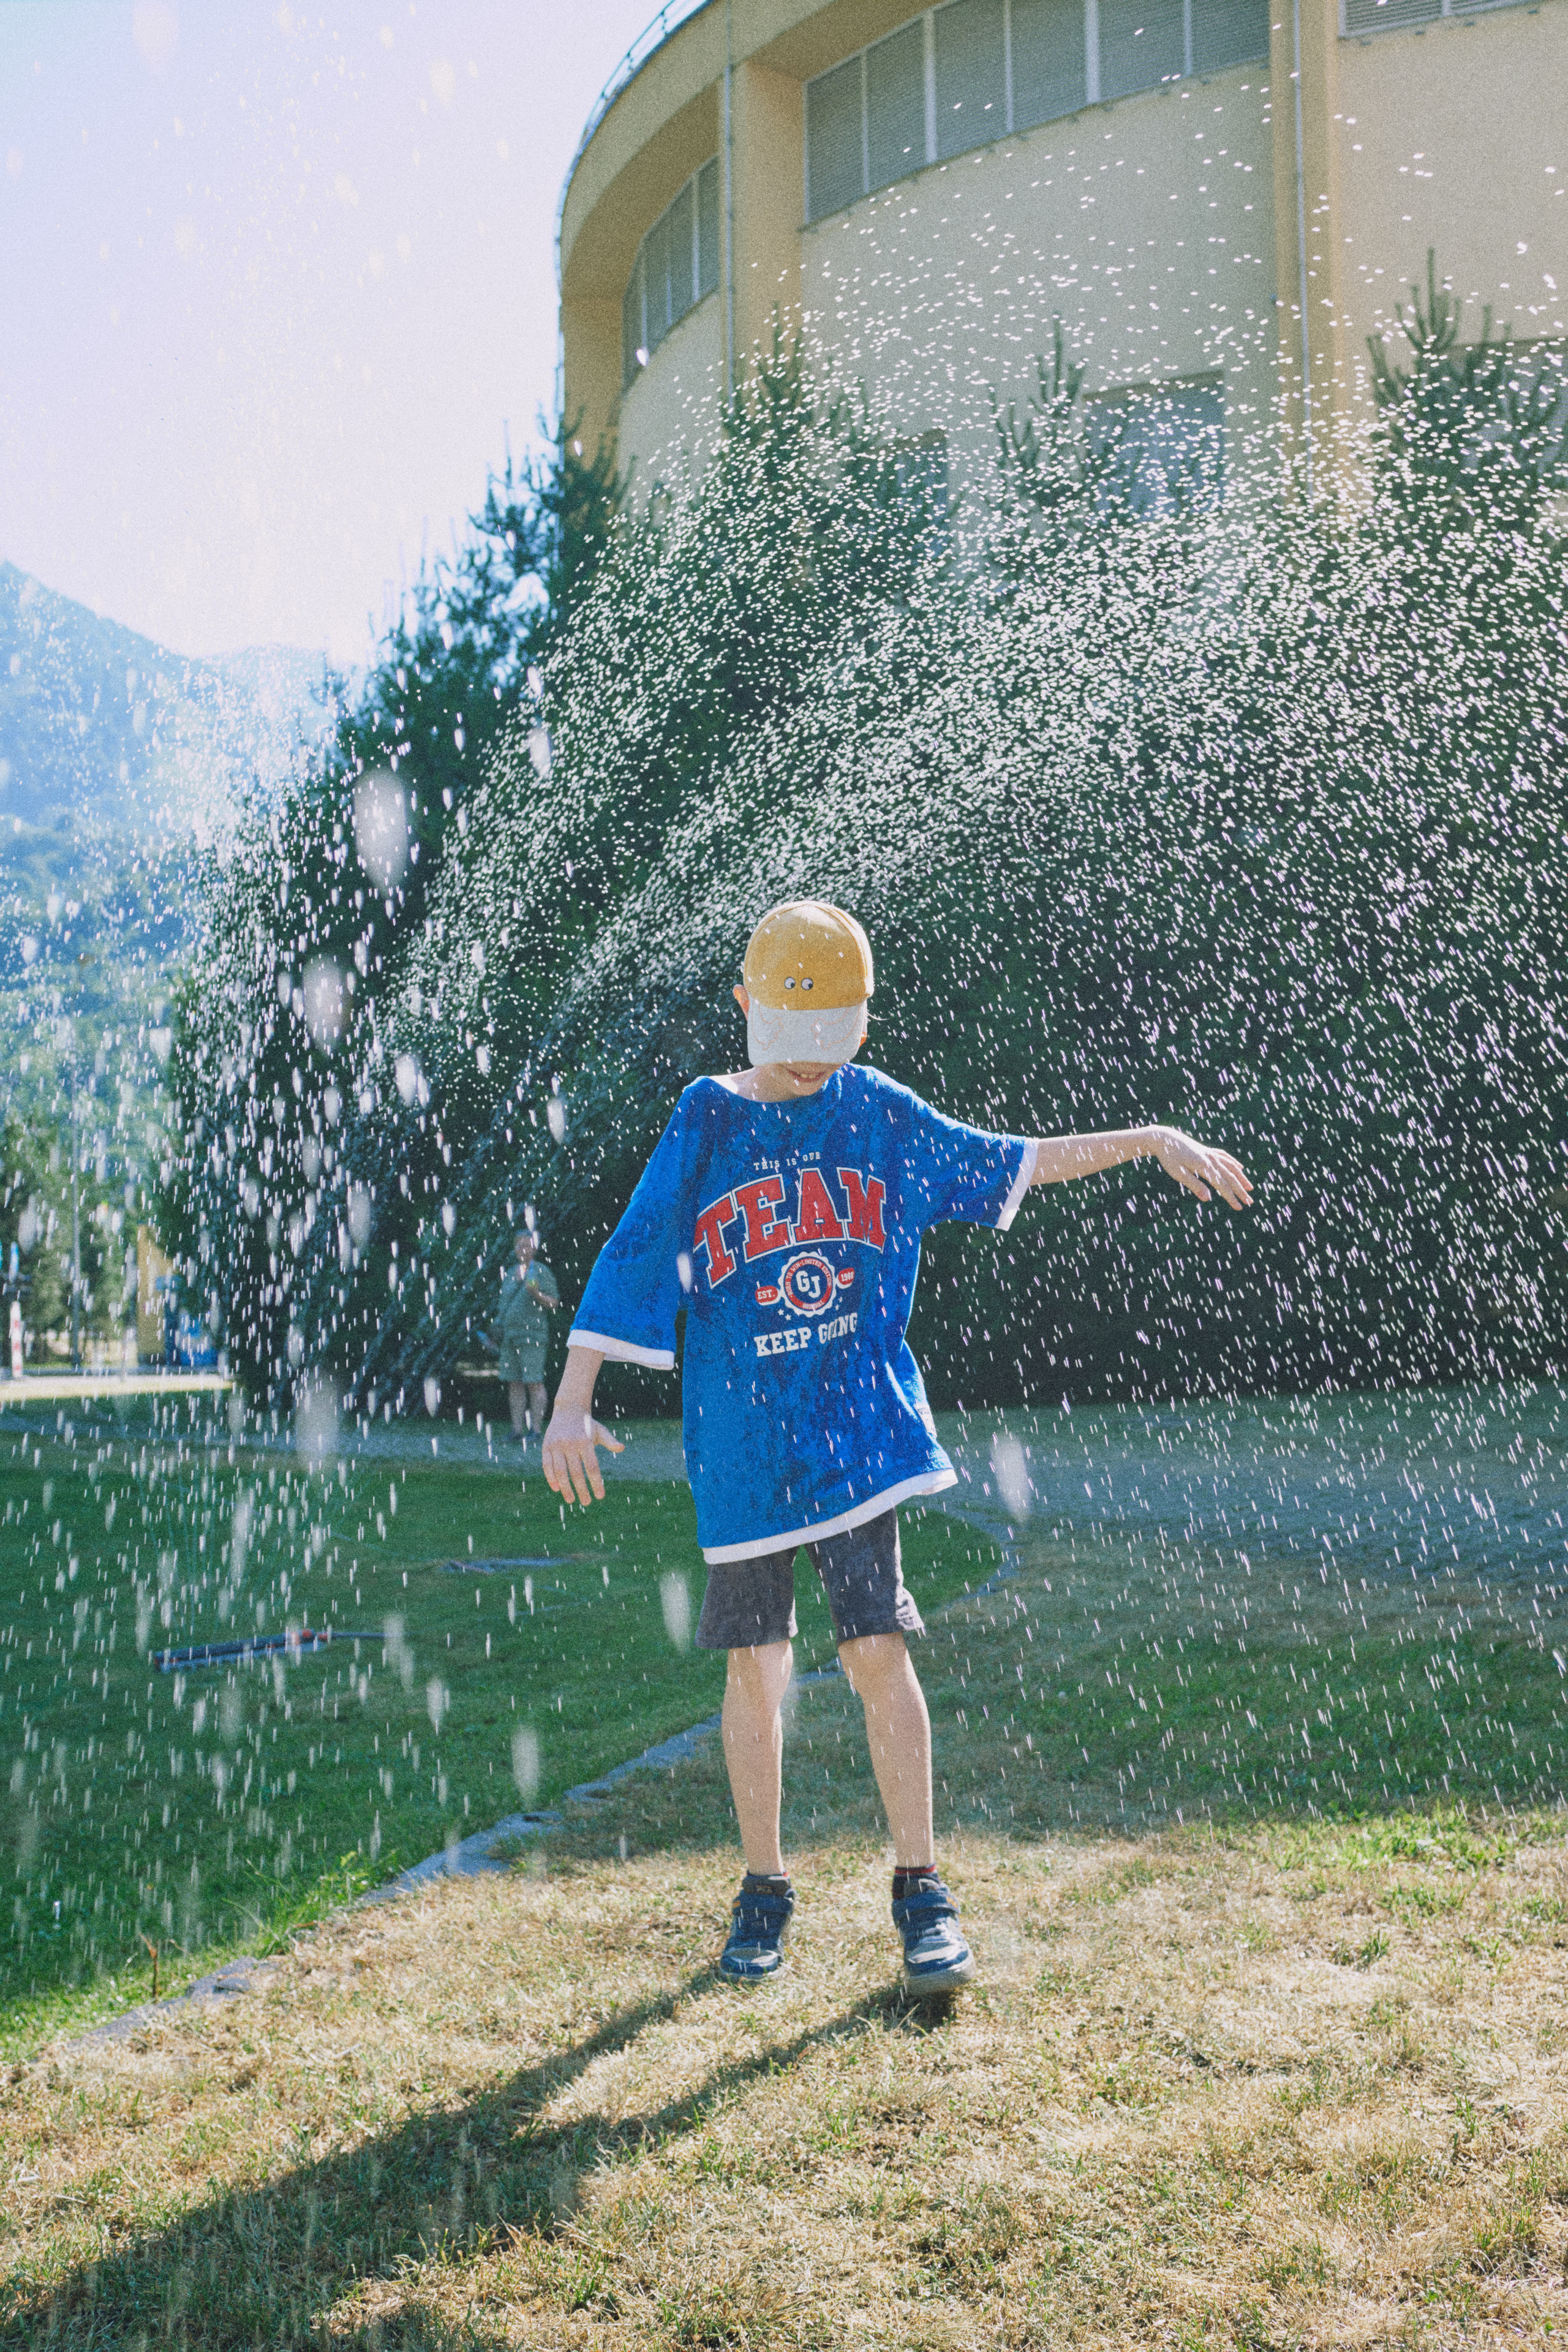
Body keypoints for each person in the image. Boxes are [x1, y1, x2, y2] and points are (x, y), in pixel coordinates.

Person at [543, 901, 1250, 1992]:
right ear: (744, 1010)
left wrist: (1150, 1138)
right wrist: (572, 1397)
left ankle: (922, 1888)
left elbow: (1012, 1158)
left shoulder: (877, 1113)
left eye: (832, 1047)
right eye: (798, 1043)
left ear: (861, 1034)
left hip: (853, 1436)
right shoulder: (705, 1121)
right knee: (758, 1668)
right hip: (743, 1459)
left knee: (878, 1652)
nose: (814, 1069)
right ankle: (765, 1890)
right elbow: (636, 1249)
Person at [495, 1225, 560, 1443]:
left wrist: (537, 1294)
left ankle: (536, 1431)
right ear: (514, 1249)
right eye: (519, 1245)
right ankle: (516, 1430)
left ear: (534, 1249)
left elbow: (554, 1303)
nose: (523, 1249)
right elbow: (504, 1305)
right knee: (514, 1382)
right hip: (510, 1336)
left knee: (533, 1382)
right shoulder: (510, 1274)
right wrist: (498, 1328)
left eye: (527, 1245)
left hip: (533, 1335)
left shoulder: (541, 1272)